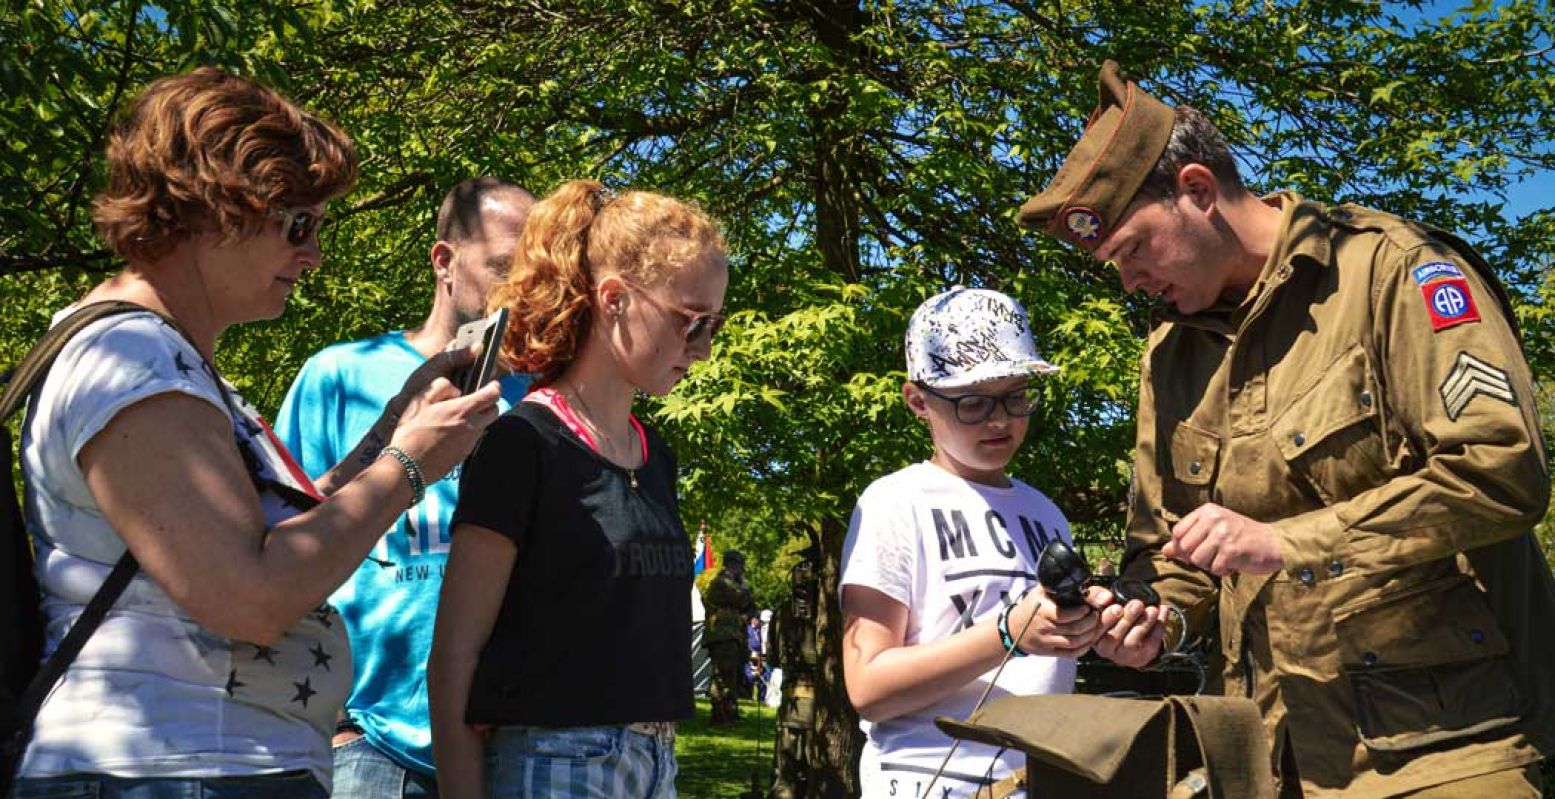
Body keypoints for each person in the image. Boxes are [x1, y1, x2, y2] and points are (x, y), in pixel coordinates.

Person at [1018, 59, 1555, 796]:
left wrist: (1284, 542)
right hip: (1267, 759)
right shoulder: (1167, 356)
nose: (1130, 281)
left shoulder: (1389, 271)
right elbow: (1171, 555)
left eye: (1133, 249)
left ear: (1197, 190)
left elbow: (1500, 472)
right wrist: (1150, 620)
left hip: (1446, 749)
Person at [10, 68, 501, 798]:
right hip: (169, 770)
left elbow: (281, 536)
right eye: (298, 224)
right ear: (213, 209)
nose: (313, 255)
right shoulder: (130, 361)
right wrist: (407, 466)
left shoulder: (168, 361)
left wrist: (395, 423)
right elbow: (252, 596)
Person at [427, 179, 728, 798]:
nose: (701, 351)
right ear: (615, 299)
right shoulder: (523, 443)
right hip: (554, 764)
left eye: (712, 326)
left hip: (656, 765)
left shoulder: (656, 456)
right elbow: (456, 653)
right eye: (690, 322)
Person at [274, 177, 535, 797]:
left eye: (535, 273)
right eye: (505, 268)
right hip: (369, 741)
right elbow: (283, 537)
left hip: (510, 742)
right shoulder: (340, 375)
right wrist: (335, 722)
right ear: (445, 262)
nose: (524, 292)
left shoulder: (548, 402)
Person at [839, 287, 1111, 799]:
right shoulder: (894, 502)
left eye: (1016, 396)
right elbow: (868, 686)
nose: (1000, 420)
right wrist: (1007, 634)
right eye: (973, 403)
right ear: (918, 400)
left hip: (1044, 778)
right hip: (928, 781)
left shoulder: (1047, 513)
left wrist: (1099, 627)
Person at [703, 549, 756, 725]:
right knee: (723, 674)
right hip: (723, 635)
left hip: (733, 635)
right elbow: (742, 598)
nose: (742, 569)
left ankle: (729, 710)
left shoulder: (734, 582)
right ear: (732, 564)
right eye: (739, 565)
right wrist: (745, 591)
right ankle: (720, 713)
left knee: (732, 675)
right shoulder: (722, 582)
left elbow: (749, 605)